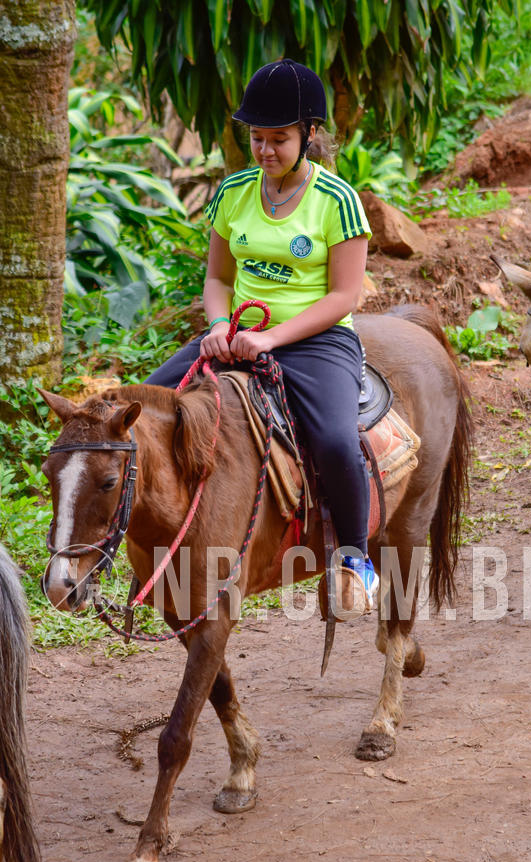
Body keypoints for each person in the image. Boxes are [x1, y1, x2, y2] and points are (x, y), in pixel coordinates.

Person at [147, 59, 379, 607]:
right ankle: (151, 543)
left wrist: (273, 339)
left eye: (280, 138)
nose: (266, 150)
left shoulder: (338, 202)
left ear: (310, 135)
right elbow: (217, 277)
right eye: (257, 138)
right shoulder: (233, 194)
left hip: (318, 340)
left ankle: (355, 555)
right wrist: (219, 325)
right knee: (147, 406)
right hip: (238, 333)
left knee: (336, 441)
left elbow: (345, 296)